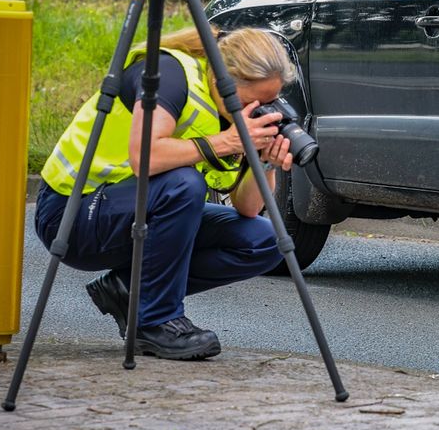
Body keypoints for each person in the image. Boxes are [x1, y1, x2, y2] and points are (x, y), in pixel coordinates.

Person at [35, 26, 296, 359]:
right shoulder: (168, 75)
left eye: (270, 102)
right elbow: (145, 157)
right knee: (185, 184)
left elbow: (248, 209)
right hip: (73, 215)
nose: (260, 111)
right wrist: (228, 141)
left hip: (140, 212)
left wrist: (265, 162)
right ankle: (155, 322)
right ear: (222, 82)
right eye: (252, 102)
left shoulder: (232, 115)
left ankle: (129, 290)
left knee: (265, 239)